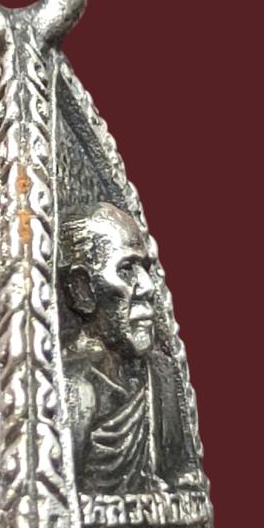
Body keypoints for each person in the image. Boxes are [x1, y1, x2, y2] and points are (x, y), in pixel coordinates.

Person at [60, 202, 199, 494]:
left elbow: (184, 481)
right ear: (82, 289)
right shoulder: (70, 388)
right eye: (126, 269)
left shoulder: (159, 377)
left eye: (145, 268)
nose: (147, 286)